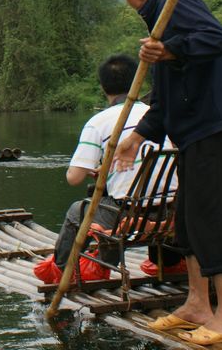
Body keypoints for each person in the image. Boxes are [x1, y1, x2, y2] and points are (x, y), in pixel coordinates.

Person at [113, 0, 222, 345]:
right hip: (191, 134)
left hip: (214, 128)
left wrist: (170, 50)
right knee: (188, 221)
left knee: (212, 218)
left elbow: (218, 39)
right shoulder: (157, 22)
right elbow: (166, 98)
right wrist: (137, 136)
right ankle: (196, 305)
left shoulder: (176, 3)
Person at [34, 54, 183, 284]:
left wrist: (93, 168)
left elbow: (74, 177)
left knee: (78, 210)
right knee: (114, 197)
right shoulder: (158, 114)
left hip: (128, 216)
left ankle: (62, 269)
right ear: (138, 81)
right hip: (170, 212)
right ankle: (170, 263)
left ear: (103, 86)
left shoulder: (99, 122)